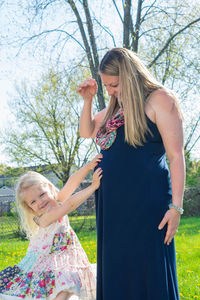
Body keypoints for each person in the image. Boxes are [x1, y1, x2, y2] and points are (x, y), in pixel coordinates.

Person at [77, 48, 185, 300]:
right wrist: (88, 100)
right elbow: (86, 131)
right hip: (112, 210)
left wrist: (176, 208)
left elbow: (175, 156)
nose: (111, 91)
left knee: (149, 271)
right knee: (118, 272)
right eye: (106, 86)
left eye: (114, 84)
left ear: (129, 76)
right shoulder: (112, 113)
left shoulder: (159, 100)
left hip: (148, 206)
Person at [0, 154, 103, 300]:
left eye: (42, 194)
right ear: (30, 208)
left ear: (49, 188)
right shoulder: (45, 217)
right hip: (48, 263)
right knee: (61, 292)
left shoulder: (56, 201)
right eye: (33, 202)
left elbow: (71, 182)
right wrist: (93, 187)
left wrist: (87, 167)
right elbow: (70, 205)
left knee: (70, 289)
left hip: (64, 259)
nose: (40, 202)